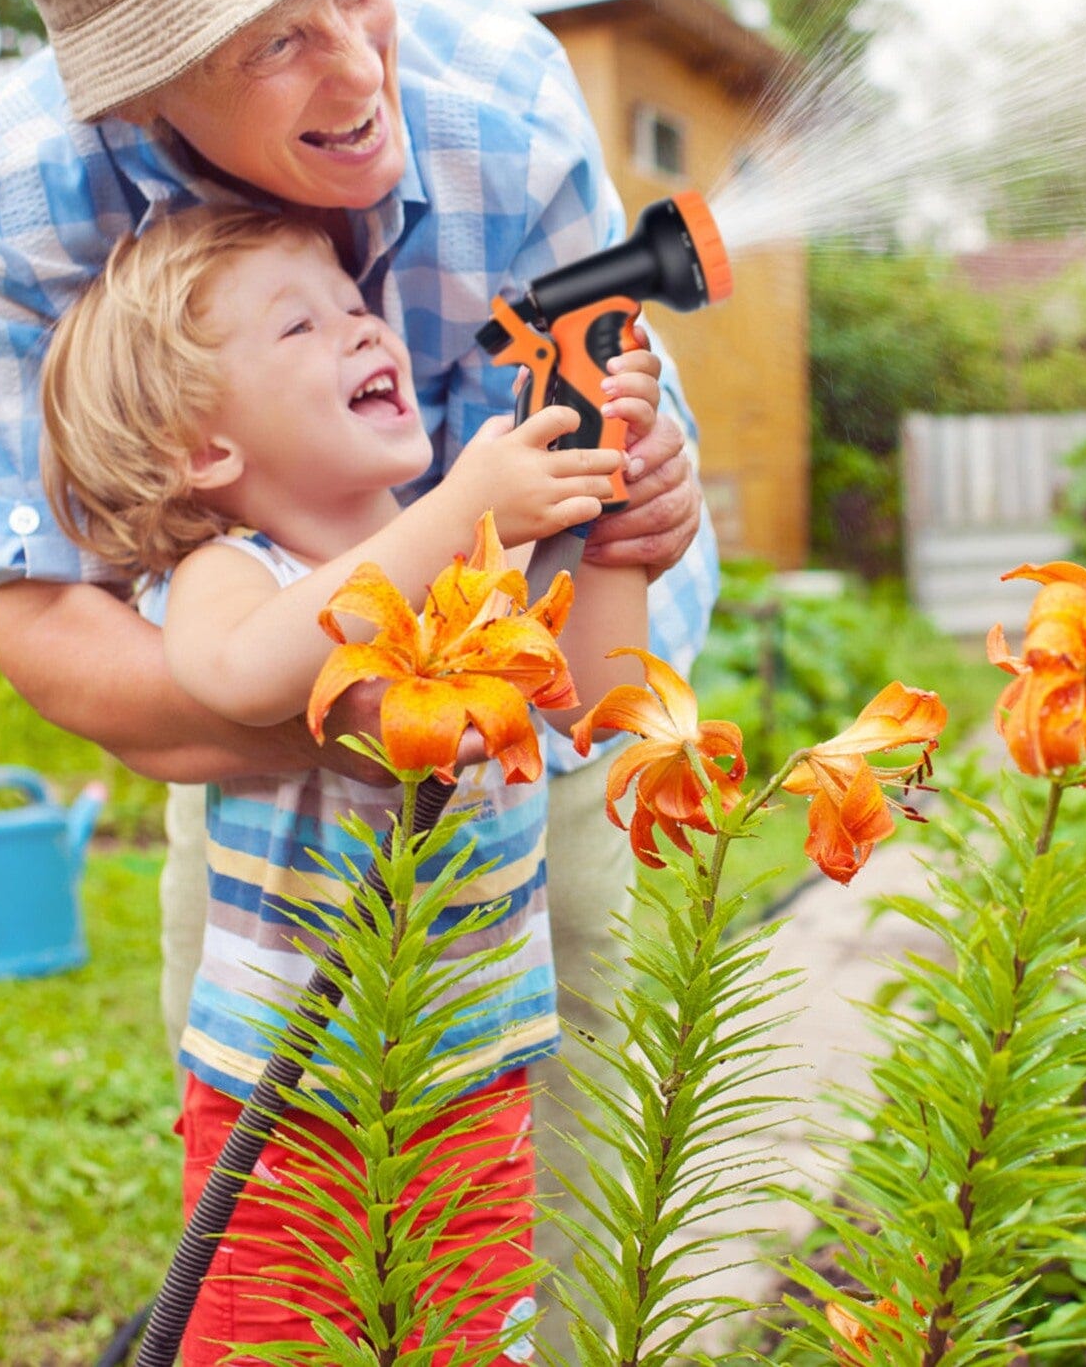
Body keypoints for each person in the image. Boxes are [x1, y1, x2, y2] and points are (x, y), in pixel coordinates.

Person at [0, 0, 720, 1350]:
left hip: (480, 1039)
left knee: (521, 1295)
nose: (364, 73)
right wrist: (425, 579)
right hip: (291, 1025)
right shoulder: (34, 214)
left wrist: (624, 535)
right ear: (145, 84)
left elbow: (587, 697)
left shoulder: (504, 108)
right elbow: (170, 649)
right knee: (278, 1307)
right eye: (268, 41)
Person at [37, 202, 659, 1363]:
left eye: (358, 305)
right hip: (292, 1108)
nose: (365, 330)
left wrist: (613, 529)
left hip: (471, 1088)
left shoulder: (475, 560)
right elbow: (237, 672)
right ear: (208, 451)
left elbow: (585, 695)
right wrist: (465, 512)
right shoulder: (233, 573)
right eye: (301, 327)